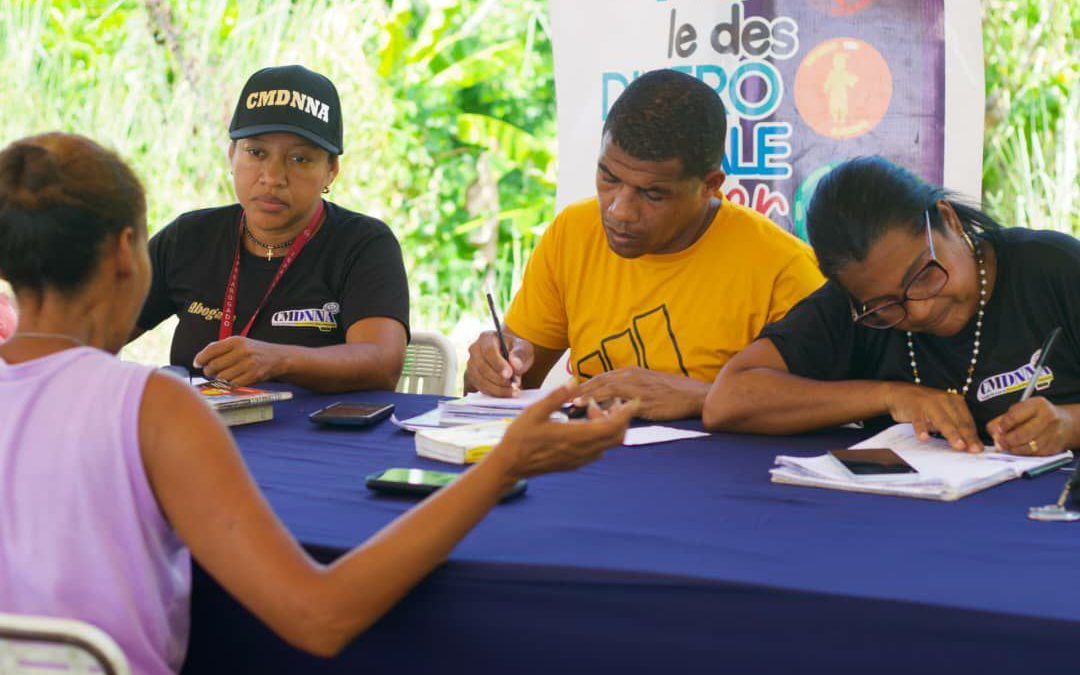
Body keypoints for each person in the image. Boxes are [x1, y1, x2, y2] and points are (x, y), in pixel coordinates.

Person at [0, 132, 637, 675]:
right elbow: (321, 616)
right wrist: (504, 466)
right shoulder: (152, 409)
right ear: (123, 251)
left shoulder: (359, 244)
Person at [463, 69, 824, 420]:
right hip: (586, 468)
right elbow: (510, 390)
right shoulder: (572, 232)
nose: (620, 211)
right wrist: (494, 369)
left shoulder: (784, 269)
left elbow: (833, 409)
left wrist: (704, 398)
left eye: (652, 193)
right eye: (608, 177)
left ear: (709, 185)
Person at [703, 156, 1080, 456]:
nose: (916, 311)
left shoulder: (1053, 269)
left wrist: (1068, 423)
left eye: (924, 275)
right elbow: (728, 400)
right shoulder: (853, 305)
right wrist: (889, 395)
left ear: (948, 219)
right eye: (885, 307)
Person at [132, 65, 408, 392]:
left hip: (316, 440)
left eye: (300, 159)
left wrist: (280, 360)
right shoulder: (188, 238)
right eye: (257, 152)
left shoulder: (363, 244)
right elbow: (95, 328)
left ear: (331, 170)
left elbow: (382, 362)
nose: (273, 177)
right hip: (202, 431)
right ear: (232, 155)